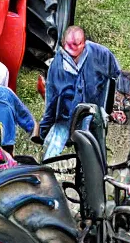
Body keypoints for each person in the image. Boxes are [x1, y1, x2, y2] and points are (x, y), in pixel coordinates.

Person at [39, 26, 121, 158]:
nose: (74, 51)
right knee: (51, 149)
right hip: (66, 117)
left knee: (94, 154)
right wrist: (45, 128)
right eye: (69, 46)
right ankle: (47, 170)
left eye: (78, 45)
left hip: (94, 114)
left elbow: (118, 76)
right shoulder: (57, 66)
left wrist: (114, 106)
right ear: (63, 43)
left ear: (84, 42)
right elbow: (52, 100)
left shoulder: (101, 54)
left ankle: (99, 171)